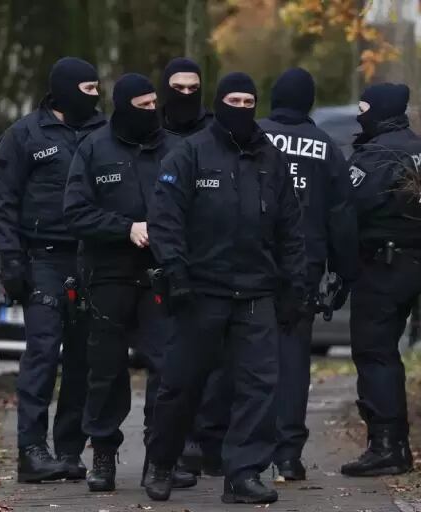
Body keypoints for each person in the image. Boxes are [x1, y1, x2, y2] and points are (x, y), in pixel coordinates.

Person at [142, 72, 308, 505]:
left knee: (258, 387)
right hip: (200, 292)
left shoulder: (270, 159)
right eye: (233, 99)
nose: (242, 106)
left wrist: (295, 285)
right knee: (181, 384)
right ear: (220, 102)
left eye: (249, 100)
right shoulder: (190, 154)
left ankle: (243, 474)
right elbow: (165, 218)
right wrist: (175, 272)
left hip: (255, 292)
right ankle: (162, 462)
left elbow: (291, 227)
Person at [63, 73, 197, 493]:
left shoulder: (176, 148)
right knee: (105, 370)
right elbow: (75, 212)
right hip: (108, 275)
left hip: (161, 275)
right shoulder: (94, 149)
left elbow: (196, 207)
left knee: (168, 367)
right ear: (123, 107)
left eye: (153, 104)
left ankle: (161, 457)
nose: (151, 112)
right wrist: (126, 228)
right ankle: (102, 453)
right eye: (141, 106)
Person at [0, 57, 105, 483]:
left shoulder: (102, 133)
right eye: (88, 89)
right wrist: (11, 258)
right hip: (43, 260)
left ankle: (69, 449)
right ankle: (31, 451)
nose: (95, 97)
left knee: (82, 359)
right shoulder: (24, 135)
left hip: (90, 260)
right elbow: (1, 202)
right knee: (41, 354)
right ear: (66, 89)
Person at [258, 67, 359, 480]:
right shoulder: (325, 147)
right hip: (304, 266)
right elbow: (341, 215)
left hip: (252, 262)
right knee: (293, 360)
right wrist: (344, 272)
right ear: (309, 102)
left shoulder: (252, 136)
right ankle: (287, 455)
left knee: (244, 356)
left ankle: (236, 451)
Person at [339, 83, 421, 477]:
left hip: (382, 265)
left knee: (374, 353)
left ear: (379, 111)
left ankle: (386, 448)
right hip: (409, 261)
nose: (360, 117)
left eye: (364, 109)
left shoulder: (380, 154)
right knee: (386, 354)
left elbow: (348, 204)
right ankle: (393, 445)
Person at [157, 56, 226, 477]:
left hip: (208, 263)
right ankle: (167, 447)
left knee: (213, 363)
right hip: (157, 259)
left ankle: (203, 440)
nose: (185, 95)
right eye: (177, 88)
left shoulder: (214, 132)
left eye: (192, 88)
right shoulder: (150, 130)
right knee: (169, 364)